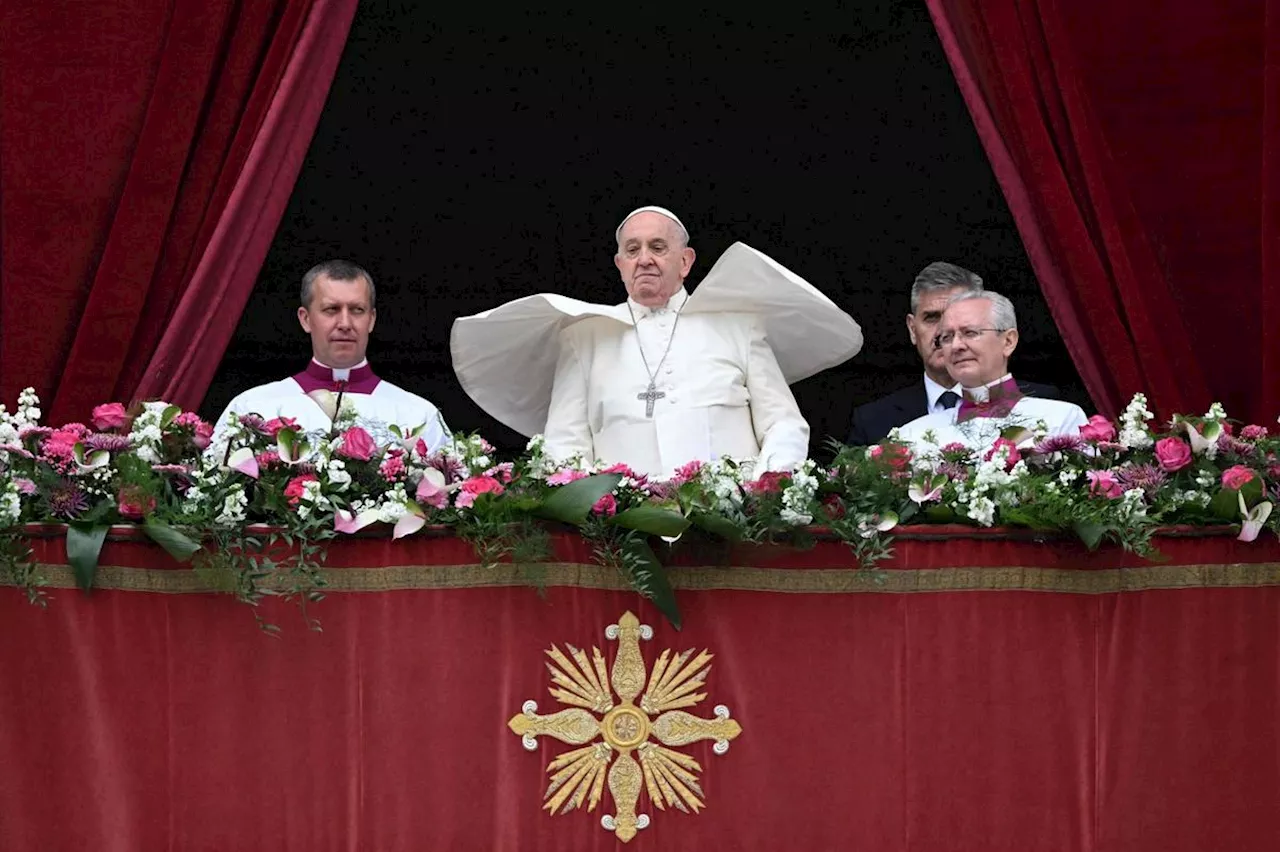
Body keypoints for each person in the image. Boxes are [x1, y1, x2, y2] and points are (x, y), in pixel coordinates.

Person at [450, 206, 862, 479]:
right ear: (620, 265)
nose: (644, 258)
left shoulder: (738, 326)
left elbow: (783, 423)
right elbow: (565, 446)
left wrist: (766, 489)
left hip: (730, 537)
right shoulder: (583, 339)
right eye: (633, 249)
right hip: (624, 546)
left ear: (685, 261)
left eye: (658, 247)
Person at [211, 260, 449, 450]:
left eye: (357, 310)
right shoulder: (253, 408)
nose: (345, 323)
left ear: (372, 319)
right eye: (331, 309)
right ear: (305, 319)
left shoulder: (419, 414)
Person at [846, 262, 1057, 446]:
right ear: (912, 329)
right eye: (931, 318)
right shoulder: (874, 422)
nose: (943, 333)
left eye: (964, 324)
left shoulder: (1045, 407)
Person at [896, 290, 1087, 449]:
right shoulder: (914, 435)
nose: (956, 346)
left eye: (970, 333)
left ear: (1008, 341)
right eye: (946, 337)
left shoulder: (1060, 419)